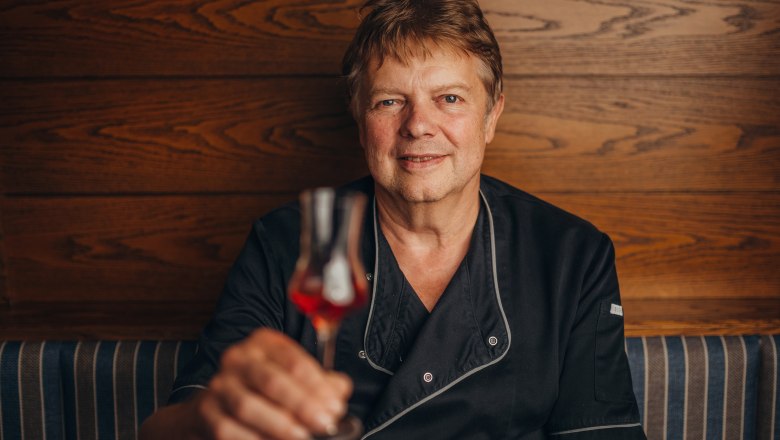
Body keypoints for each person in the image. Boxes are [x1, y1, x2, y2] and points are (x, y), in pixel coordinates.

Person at [140, 0, 646, 438]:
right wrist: (208, 419)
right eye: (389, 101)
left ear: (491, 117)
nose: (418, 125)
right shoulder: (284, 243)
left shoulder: (572, 255)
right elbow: (172, 424)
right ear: (361, 122)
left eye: (449, 98)